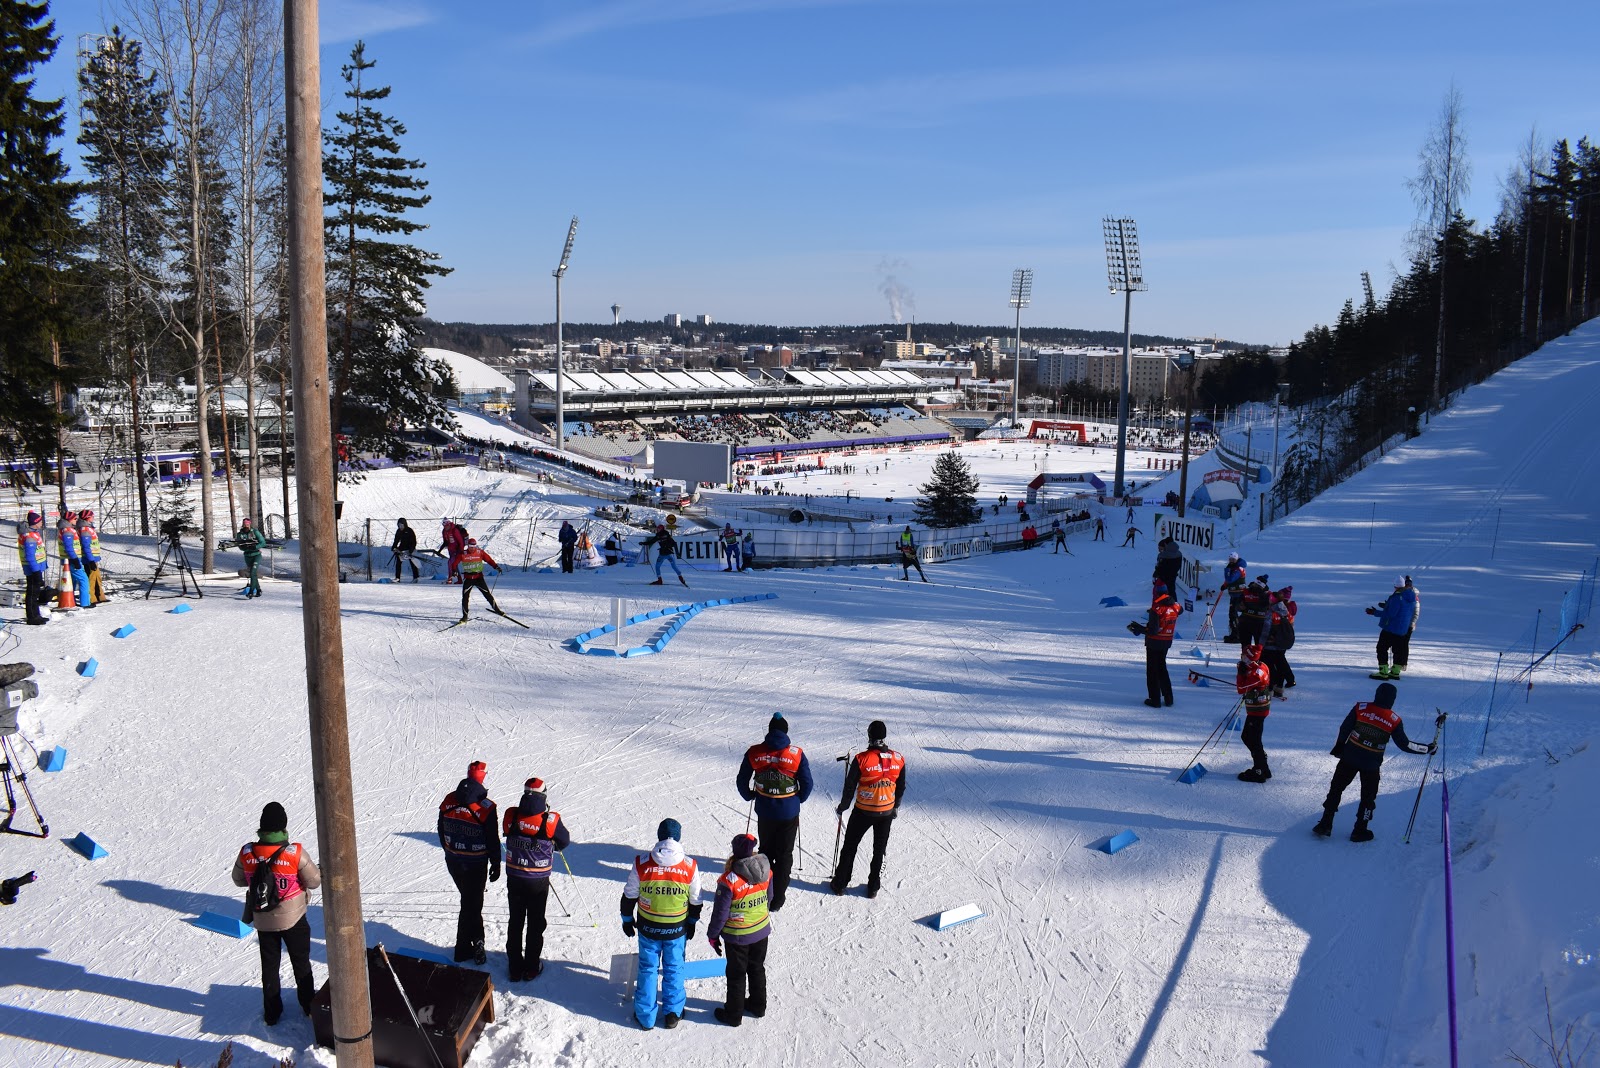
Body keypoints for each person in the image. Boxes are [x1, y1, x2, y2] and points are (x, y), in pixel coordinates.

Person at [232, 801, 321, 1025]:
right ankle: (308, 1005)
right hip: (294, 918)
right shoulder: (294, 853)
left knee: (269, 967)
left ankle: (272, 1013)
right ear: (283, 827)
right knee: (301, 962)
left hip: (263, 920)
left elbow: (238, 880)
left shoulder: (247, 852)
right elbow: (314, 881)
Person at [1313, 683, 1436, 841]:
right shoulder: (1394, 720)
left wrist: (1339, 747)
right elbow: (1405, 745)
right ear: (1393, 699)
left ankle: (1325, 823)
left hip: (1349, 757)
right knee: (1368, 797)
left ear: (1377, 694)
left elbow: (1345, 728)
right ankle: (1360, 830)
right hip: (1371, 764)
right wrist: (1427, 749)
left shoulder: (1361, 708)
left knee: (1336, 789)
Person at [621, 818, 702, 1030]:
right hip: (676, 928)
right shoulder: (690, 865)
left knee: (648, 968)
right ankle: (673, 1013)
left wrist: (627, 918)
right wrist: (692, 921)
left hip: (648, 927)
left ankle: (646, 1016)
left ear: (659, 835)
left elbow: (630, 894)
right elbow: (696, 899)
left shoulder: (642, 862)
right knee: (674, 967)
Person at [735, 714, 813, 911]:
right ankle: (778, 898)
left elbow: (742, 779)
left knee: (766, 852)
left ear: (769, 730)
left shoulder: (754, 752)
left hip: (765, 810)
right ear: (786, 731)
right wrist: (797, 799)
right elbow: (807, 783)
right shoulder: (796, 754)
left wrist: (749, 795)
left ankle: (764, 891)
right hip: (789, 811)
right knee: (785, 854)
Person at [501, 777, 570, 981]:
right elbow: (564, 841)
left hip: (514, 875)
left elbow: (506, 830)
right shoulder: (550, 819)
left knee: (515, 921)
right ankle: (531, 966)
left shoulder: (511, 814)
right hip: (537, 879)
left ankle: (514, 966)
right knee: (535, 921)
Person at [830, 720, 906, 898]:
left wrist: (843, 807)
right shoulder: (898, 758)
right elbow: (901, 786)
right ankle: (873, 887)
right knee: (879, 849)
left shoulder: (861, 759)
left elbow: (850, 787)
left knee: (850, 846)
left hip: (864, 810)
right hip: (886, 811)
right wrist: (896, 807)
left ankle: (840, 883)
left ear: (870, 736)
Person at [438, 761, 500, 964]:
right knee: (470, 905)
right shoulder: (486, 808)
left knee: (470, 902)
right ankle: (464, 948)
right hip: (475, 863)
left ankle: (476, 939)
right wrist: (496, 863)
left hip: (454, 861)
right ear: (483, 778)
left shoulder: (448, 800)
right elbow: (492, 839)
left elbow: (441, 829)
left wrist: (449, 850)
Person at [707, 833, 770, 1027]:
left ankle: (733, 1015)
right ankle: (758, 1006)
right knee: (757, 967)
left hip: (738, 936)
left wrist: (713, 935)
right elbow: (771, 896)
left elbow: (721, 913)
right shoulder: (766, 871)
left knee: (736, 974)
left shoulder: (729, 880)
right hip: (761, 929)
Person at [1132, 587, 1182, 708]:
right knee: (1162, 668)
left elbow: (1153, 631)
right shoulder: (1175, 606)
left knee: (1152, 671)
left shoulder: (1156, 609)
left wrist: (1140, 629)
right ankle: (1168, 698)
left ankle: (1155, 699)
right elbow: (1180, 610)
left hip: (1154, 642)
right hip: (1167, 641)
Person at [1367, 576, 1418, 679]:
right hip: (1403, 629)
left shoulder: (1397, 597)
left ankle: (1383, 672)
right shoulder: (1411, 597)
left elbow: (1391, 614)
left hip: (1391, 628)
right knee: (1398, 650)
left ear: (1395, 586)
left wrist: (1374, 612)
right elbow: (1404, 611)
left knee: (1381, 648)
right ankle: (1395, 671)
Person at [1235, 645, 1274, 782]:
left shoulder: (1257, 673)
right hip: (1256, 709)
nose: (1242, 658)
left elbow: (1241, 688)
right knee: (1249, 737)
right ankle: (1263, 766)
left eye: (1244, 656)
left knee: (1250, 738)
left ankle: (1259, 769)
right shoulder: (1260, 666)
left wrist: (1240, 673)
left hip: (1258, 710)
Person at [457, 538, 503, 621]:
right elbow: (454, 563)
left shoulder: (480, 552)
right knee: (465, 597)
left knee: (487, 594)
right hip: (468, 578)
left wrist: (496, 566)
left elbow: (488, 560)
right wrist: (454, 571)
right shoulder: (463, 554)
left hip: (479, 577)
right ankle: (465, 616)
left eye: (474, 546)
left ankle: (497, 610)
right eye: (470, 546)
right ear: (468, 546)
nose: (472, 548)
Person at [16, 511, 49, 625]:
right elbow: (30, 556)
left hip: (36, 567)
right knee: (32, 593)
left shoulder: (33, 533)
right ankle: (31, 617)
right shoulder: (29, 536)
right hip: (32, 569)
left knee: (35, 593)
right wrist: (36, 571)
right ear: (35, 523)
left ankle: (36, 614)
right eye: (40, 521)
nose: (41, 523)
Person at [1262, 588, 1297, 697]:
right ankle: (1279, 687)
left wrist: (1260, 644)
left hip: (1270, 644)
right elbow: (1291, 626)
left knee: (1269, 666)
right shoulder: (1286, 612)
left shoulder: (1271, 613)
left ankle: (1270, 687)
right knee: (1280, 664)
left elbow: (1265, 630)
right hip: (1282, 644)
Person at [57, 513, 89, 608]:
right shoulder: (67, 531)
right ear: (69, 520)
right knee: (84, 580)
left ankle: (71, 601)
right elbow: (69, 547)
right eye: (75, 519)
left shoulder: (65, 530)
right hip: (72, 560)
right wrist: (75, 560)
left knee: (73, 581)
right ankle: (85, 603)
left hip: (70, 560)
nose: (76, 520)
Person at [76, 509, 108, 605]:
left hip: (93, 557)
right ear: (87, 518)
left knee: (97, 577)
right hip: (89, 558)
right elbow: (86, 546)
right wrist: (91, 560)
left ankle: (99, 596)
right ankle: (91, 597)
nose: (93, 518)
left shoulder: (88, 528)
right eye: (92, 516)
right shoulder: (85, 529)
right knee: (92, 577)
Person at [641, 523, 688, 587]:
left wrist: (667, 546)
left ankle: (681, 579)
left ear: (662, 529)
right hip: (662, 554)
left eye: (659, 529)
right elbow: (651, 541)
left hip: (668, 554)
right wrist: (643, 543)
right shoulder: (658, 536)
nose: (657, 530)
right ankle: (660, 580)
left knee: (673, 566)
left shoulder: (667, 535)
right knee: (658, 566)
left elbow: (674, 543)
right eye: (657, 529)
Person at [1236, 576, 1272, 647]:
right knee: (1245, 644)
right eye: (1255, 584)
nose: (1256, 587)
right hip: (1245, 621)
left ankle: (1260, 657)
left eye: (1258, 586)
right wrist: (1240, 607)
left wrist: (1261, 594)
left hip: (1260, 622)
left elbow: (1268, 606)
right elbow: (1237, 605)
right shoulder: (1246, 591)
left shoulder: (1267, 594)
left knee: (1259, 645)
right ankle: (1245, 657)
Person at [237, 517, 266, 599]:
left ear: (249, 524)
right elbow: (240, 546)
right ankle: (258, 590)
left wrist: (255, 546)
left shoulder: (255, 532)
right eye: (244, 524)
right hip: (247, 556)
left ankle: (251, 591)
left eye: (247, 524)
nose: (246, 525)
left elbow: (263, 542)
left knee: (253, 572)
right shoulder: (240, 534)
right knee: (253, 574)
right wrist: (246, 547)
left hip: (256, 555)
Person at [1222, 552, 1248, 641]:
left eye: (1233, 559)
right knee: (1232, 614)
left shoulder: (1239, 569)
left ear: (1237, 559)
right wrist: (1225, 585)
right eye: (1230, 559)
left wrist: (1227, 571)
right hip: (1234, 594)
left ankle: (1236, 634)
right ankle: (1235, 633)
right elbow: (1229, 580)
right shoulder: (1233, 567)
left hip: (1239, 595)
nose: (1231, 561)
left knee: (1233, 614)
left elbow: (1230, 579)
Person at [391, 517, 420, 582]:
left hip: (410, 548)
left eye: (401, 525)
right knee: (398, 561)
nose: (400, 527)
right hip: (402, 548)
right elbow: (396, 541)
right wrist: (394, 547)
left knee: (413, 562)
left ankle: (416, 577)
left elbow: (414, 541)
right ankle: (397, 578)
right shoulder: (398, 531)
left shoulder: (409, 531)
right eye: (399, 525)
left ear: (405, 524)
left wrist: (411, 550)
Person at [441, 520, 466, 584]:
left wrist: (461, 550)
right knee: (454, 564)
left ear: (449, 525)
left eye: (446, 526)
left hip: (457, 550)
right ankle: (459, 579)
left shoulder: (455, 531)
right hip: (450, 550)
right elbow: (445, 541)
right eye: (444, 526)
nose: (445, 527)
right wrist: (441, 549)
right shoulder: (444, 531)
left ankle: (450, 579)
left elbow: (461, 541)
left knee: (450, 562)